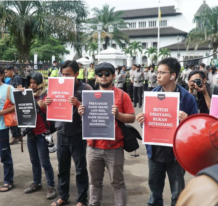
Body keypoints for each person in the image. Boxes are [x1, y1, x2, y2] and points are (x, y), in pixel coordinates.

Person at [136, 58, 198, 206]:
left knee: (178, 196)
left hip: (176, 155)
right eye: (157, 72)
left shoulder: (187, 98)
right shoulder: (152, 94)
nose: (157, 75)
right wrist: (142, 119)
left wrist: (186, 120)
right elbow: (149, 124)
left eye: (162, 72)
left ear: (173, 75)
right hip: (155, 153)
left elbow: (196, 128)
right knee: (154, 196)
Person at [78, 62, 135, 206]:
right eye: (100, 74)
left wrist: (118, 115)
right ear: (96, 77)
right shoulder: (89, 96)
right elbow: (87, 119)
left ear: (113, 76)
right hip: (93, 147)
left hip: (114, 148)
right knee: (94, 183)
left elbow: (132, 117)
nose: (103, 77)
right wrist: (81, 113)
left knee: (118, 183)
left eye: (107, 74)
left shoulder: (122, 95)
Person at [45, 60, 92, 206]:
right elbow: (51, 109)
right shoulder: (55, 88)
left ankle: (82, 200)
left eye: (68, 74)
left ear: (77, 74)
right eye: (63, 74)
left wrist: (78, 104)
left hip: (78, 134)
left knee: (80, 169)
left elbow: (94, 113)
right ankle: (63, 196)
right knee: (62, 167)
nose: (65, 77)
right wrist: (47, 102)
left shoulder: (86, 88)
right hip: (62, 133)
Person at [23, 72, 57, 200]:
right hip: (31, 133)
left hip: (42, 133)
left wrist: (46, 106)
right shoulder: (26, 95)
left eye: (35, 82)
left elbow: (55, 114)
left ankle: (51, 186)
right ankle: (36, 183)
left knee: (45, 162)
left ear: (40, 83)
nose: (32, 85)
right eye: (30, 82)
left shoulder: (46, 96)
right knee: (34, 161)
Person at [4, 64, 23, 145]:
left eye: (6, 72)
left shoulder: (17, 78)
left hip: (16, 101)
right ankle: (18, 135)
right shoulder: (11, 79)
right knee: (14, 119)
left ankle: (15, 136)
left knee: (13, 119)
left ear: (11, 70)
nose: (5, 74)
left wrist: (9, 89)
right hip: (12, 101)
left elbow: (20, 88)